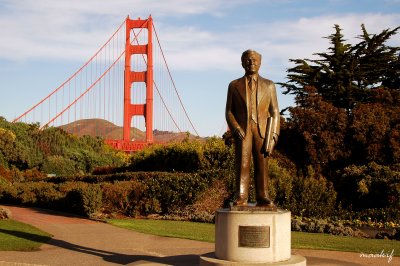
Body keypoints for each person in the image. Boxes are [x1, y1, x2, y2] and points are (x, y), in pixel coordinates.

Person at [225, 49, 280, 207]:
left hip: (263, 131)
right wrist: (235, 128)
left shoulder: (269, 85)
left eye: (255, 60)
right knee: (242, 164)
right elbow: (229, 111)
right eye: (248, 60)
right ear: (242, 63)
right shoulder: (234, 85)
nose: (251, 63)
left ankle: (263, 196)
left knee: (262, 164)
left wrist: (274, 136)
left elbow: (274, 112)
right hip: (243, 131)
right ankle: (241, 196)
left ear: (260, 63)